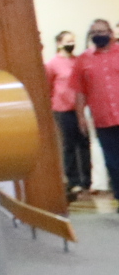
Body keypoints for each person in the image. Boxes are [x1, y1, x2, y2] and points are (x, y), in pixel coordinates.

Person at [72, 18, 119, 195]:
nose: (98, 35)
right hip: (103, 119)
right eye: (94, 32)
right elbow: (79, 92)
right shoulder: (83, 59)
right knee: (113, 162)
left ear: (110, 33)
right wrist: (80, 117)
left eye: (102, 31)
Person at [47, 30, 92, 197]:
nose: (71, 44)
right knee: (69, 145)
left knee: (84, 144)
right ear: (59, 43)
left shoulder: (78, 61)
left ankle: (87, 180)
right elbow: (48, 86)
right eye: (67, 41)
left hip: (80, 108)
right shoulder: (52, 64)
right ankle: (73, 182)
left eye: (73, 41)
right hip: (62, 110)